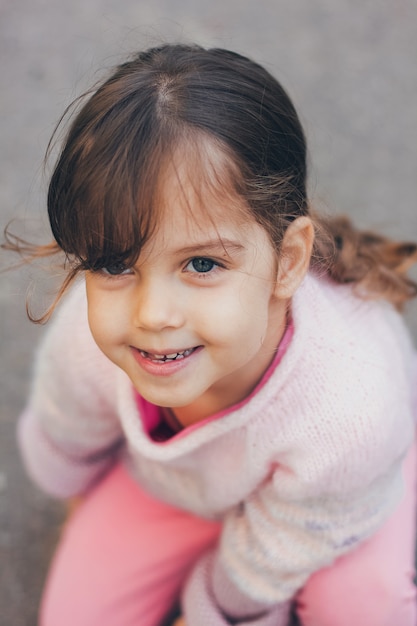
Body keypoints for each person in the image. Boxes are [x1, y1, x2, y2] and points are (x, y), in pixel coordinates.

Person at [6, 43, 417, 626]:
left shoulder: (351, 412)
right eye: (117, 264)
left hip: (335, 495)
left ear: (289, 259)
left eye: (202, 264)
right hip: (180, 484)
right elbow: (65, 429)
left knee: (364, 608)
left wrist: (218, 607)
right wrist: (76, 500)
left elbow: (285, 545)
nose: (153, 315)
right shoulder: (87, 338)